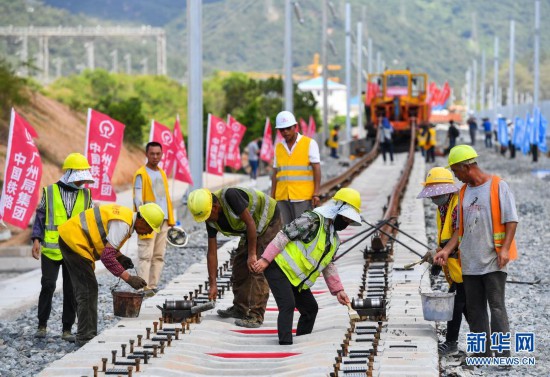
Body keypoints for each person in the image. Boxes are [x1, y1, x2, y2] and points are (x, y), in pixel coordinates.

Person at [434, 145, 518, 358]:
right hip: (469, 262)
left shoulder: (498, 186)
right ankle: (482, 353)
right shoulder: (463, 192)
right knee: (475, 310)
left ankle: (502, 356)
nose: (455, 176)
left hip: (493, 260)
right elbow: (459, 231)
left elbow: (511, 220)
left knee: (497, 309)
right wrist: (447, 250)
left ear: (467, 166)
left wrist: (505, 249)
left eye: (456, 171)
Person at [253, 188, 362, 345]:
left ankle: (302, 341)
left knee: (310, 309)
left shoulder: (334, 239)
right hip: (278, 268)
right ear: (337, 209)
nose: (346, 224)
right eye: (345, 219)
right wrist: (265, 259)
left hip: (296, 279)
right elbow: (284, 235)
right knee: (288, 304)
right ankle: (285, 344)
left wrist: (339, 291)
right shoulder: (312, 220)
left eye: (349, 221)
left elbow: (328, 264)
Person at [58, 203, 163, 346]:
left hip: (72, 237)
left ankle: (86, 334)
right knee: (88, 290)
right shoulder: (123, 224)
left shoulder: (125, 218)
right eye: (149, 228)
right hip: (74, 241)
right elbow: (107, 257)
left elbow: (105, 243)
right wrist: (129, 278)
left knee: (87, 288)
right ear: (141, 220)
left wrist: (120, 257)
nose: (148, 232)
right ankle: (85, 338)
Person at [187, 187, 282, 328]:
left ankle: (256, 315)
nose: (206, 220)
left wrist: (252, 255)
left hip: (268, 220)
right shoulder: (210, 217)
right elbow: (212, 253)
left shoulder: (231, 196)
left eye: (207, 216)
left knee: (257, 267)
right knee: (239, 266)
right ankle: (240, 308)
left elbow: (251, 224)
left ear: (215, 207)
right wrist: (213, 284)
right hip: (250, 228)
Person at [31, 153, 94, 342]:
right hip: (51, 249)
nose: (84, 179)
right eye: (81, 174)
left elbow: (90, 223)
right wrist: (36, 239)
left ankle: (67, 328)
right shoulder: (49, 191)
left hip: (75, 250)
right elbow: (40, 217)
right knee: (48, 285)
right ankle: (42, 324)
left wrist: (90, 251)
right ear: (71, 173)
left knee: (70, 289)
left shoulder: (86, 194)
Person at [417, 167, 468, 356]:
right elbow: (446, 238)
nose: (433, 198)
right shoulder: (443, 208)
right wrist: (437, 252)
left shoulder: (457, 205)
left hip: (466, 266)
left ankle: (451, 342)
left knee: (455, 302)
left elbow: (459, 234)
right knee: (468, 309)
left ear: (447, 190)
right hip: (456, 268)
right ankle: (485, 346)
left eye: (436, 194)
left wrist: (442, 251)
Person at [133, 141, 175, 293]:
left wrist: (171, 218)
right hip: (148, 221)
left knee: (159, 255)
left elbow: (165, 197)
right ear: (146, 154)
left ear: (162, 154)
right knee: (145, 255)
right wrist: (141, 219)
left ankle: (152, 286)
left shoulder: (162, 173)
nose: (155, 157)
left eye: (158, 154)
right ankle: (142, 287)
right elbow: (137, 199)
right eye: (152, 154)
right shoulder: (141, 174)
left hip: (163, 220)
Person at [272, 110, 321, 224]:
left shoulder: (309, 143)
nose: (285, 132)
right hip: (282, 197)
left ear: (295, 127)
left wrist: (316, 193)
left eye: (288, 128)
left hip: (302, 197)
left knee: (303, 231)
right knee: (285, 231)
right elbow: (275, 173)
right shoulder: (278, 147)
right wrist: (272, 196)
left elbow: (317, 169)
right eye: (282, 129)